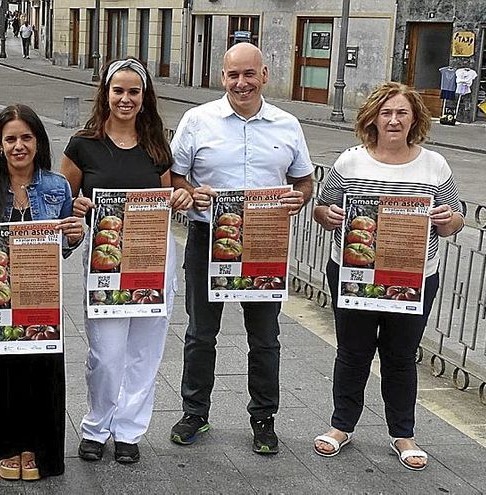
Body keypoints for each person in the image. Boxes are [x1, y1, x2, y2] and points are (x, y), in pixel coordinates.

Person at [168, 42, 314, 454]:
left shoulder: (287, 124)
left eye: (250, 74)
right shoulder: (197, 120)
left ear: (264, 75)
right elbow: (174, 179)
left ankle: (264, 418)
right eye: (234, 75)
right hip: (207, 241)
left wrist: (300, 197)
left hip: (264, 244)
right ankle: (195, 412)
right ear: (222, 77)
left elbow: (303, 181)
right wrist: (191, 194)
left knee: (265, 337)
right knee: (200, 333)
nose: (241, 83)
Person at [312, 82, 463, 470]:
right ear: (373, 118)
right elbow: (324, 208)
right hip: (354, 274)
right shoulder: (350, 161)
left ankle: (403, 434)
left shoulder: (434, 165)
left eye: (402, 113)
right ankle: (341, 426)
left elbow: (454, 220)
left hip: (413, 278)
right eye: (386, 112)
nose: (393, 120)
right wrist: (326, 215)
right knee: (352, 352)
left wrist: (449, 220)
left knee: (400, 356)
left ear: (415, 119)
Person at [61, 58, 192, 464]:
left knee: (145, 350)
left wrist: (181, 197)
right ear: (106, 94)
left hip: (152, 259)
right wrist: (77, 207)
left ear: (145, 97)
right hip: (105, 263)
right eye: (118, 90)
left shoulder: (156, 146)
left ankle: (129, 430)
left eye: (134, 91)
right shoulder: (82, 144)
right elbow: (59, 200)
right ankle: (97, 426)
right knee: (105, 352)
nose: (125, 98)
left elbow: (170, 196)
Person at [0, 104, 84, 481]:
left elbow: (64, 246)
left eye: (26, 137)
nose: (19, 145)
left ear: (38, 142)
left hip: (41, 299)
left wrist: (76, 235)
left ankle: (35, 448)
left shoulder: (57, 186)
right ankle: (4, 447)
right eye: (11, 139)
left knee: (40, 374)